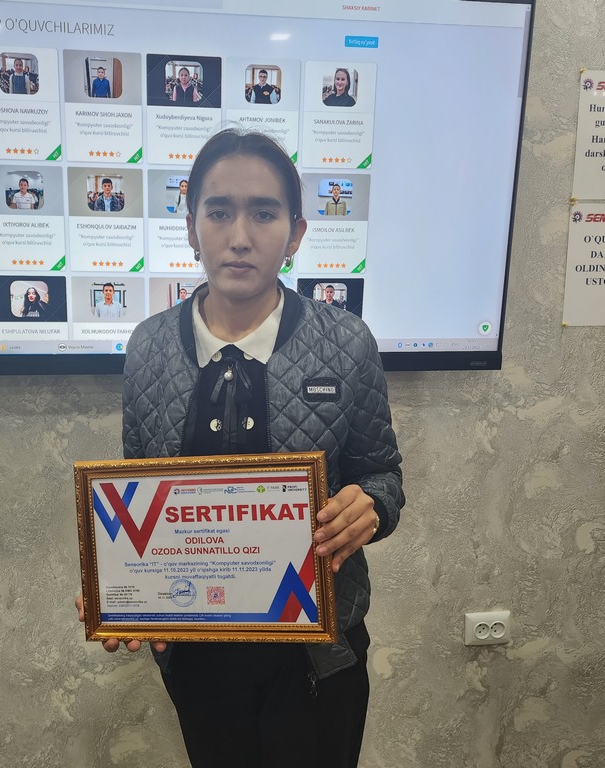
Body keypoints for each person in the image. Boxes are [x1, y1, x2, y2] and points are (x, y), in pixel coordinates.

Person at [75, 129, 403, 768]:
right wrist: (113, 585)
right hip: (200, 657)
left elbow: (382, 475)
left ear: (297, 232)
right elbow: (137, 499)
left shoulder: (347, 343)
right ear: (191, 227)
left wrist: (372, 506)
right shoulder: (147, 348)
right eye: (219, 212)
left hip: (319, 657)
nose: (240, 236)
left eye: (264, 213)